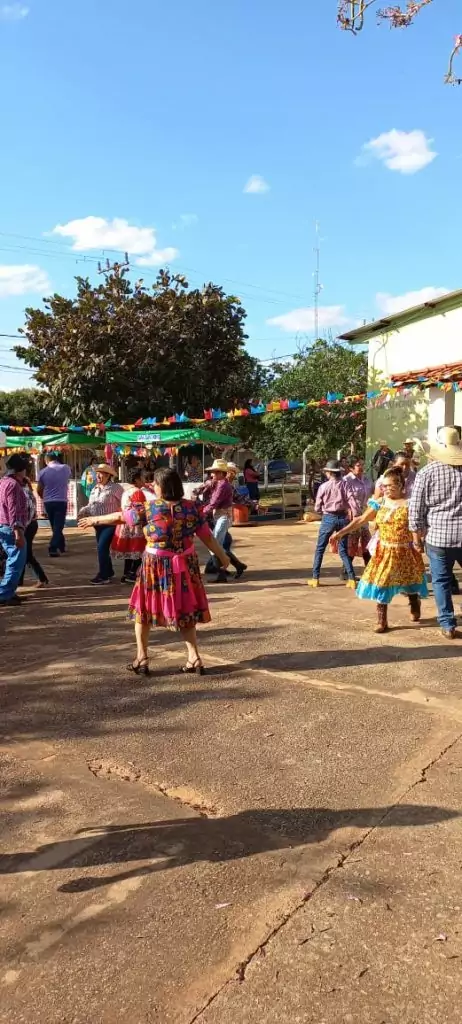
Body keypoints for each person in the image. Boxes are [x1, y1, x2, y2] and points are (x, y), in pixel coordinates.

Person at [123, 468, 229, 675]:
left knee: (143, 610)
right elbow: (207, 537)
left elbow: (125, 516)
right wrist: (223, 557)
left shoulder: (149, 508)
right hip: (185, 565)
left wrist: (95, 520)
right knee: (186, 608)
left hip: (155, 565)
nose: (152, 486)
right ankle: (194, 657)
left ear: (161, 486)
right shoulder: (192, 508)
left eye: (154, 483)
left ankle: (142, 658)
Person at [332, 466, 428, 633]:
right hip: (384, 551)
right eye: (384, 486)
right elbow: (361, 519)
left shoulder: (409, 504)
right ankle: (382, 620)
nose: (386, 489)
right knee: (382, 583)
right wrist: (341, 533)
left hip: (405, 551)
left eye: (390, 486)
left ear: (400, 485)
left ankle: (414, 603)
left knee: (410, 582)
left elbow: (417, 527)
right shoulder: (380, 503)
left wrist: (419, 541)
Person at [409, 426, 462, 639]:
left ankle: (448, 624)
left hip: (438, 538)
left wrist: (416, 538)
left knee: (440, 581)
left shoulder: (426, 473)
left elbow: (416, 510)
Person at [307, 459, 356, 588]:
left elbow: (317, 506)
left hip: (328, 517)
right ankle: (351, 579)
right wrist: (355, 516)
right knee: (343, 550)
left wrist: (320, 511)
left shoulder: (324, 487)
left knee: (320, 549)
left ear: (329, 473)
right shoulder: (346, 485)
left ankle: (315, 578)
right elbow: (352, 501)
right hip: (343, 518)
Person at [78, 464, 124, 584]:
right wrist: (83, 511)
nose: (98, 475)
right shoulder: (95, 489)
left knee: (101, 548)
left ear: (108, 475)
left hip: (111, 523)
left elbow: (124, 502)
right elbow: (91, 505)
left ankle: (103, 575)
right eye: (97, 473)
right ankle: (108, 571)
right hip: (97, 523)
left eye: (101, 473)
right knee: (102, 548)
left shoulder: (116, 488)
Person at [335, 456, 373, 577]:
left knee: (367, 543)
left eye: (362, 464)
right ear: (351, 468)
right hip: (351, 519)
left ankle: (370, 571)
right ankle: (346, 571)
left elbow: (374, 493)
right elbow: (340, 499)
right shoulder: (345, 481)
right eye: (358, 465)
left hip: (364, 517)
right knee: (352, 544)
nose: (361, 467)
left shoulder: (367, 480)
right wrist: (347, 509)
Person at [200, 459, 235, 583]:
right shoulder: (217, 483)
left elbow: (213, 503)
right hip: (219, 517)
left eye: (214, 472)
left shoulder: (223, 485)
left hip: (223, 517)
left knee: (215, 546)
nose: (212, 475)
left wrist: (199, 512)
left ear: (221, 473)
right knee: (216, 546)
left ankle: (222, 572)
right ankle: (234, 566)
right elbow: (205, 489)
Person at [111, 469, 148, 583]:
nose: (144, 480)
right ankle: (133, 573)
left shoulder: (126, 491)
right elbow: (139, 510)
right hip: (135, 524)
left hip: (125, 523)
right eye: (142, 477)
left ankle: (126, 573)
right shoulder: (137, 492)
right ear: (137, 479)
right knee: (137, 549)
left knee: (129, 551)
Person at [0, 454, 28, 606]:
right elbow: (14, 509)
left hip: (4, 526)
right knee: (15, 562)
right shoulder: (13, 485)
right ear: (20, 470)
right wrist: (18, 531)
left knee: (13, 561)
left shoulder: (3, 482)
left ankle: (9, 591)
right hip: (11, 527)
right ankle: (4, 594)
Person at [37, 452, 72, 557]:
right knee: (58, 525)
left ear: (46, 460)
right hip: (61, 500)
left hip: (48, 501)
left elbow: (39, 489)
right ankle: (53, 547)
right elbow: (68, 478)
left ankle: (61, 545)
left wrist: (44, 497)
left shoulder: (42, 472)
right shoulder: (66, 468)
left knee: (55, 525)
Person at [19, 477, 48, 588]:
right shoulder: (28, 492)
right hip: (30, 524)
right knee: (23, 553)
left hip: (28, 525)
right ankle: (20, 579)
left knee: (26, 554)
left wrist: (23, 526)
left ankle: (41, 578)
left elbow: (29, 512)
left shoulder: (24, 493)